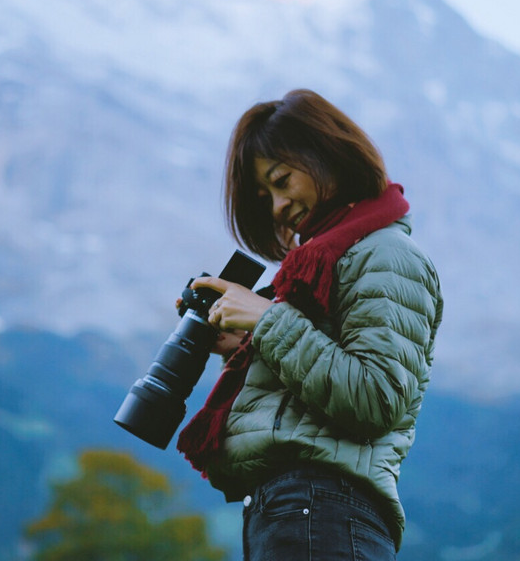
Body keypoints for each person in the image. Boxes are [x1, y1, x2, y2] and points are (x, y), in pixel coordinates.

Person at [175, 88, 443, 560]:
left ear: (326, 153)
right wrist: (245, 342)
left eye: (281, 180)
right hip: (297, 511)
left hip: (324, 510)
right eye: (265, 196)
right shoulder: (323, 264)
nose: (277, 206)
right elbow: (306, 400)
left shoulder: (386, 254)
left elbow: (376, 398)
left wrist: (268, 321)